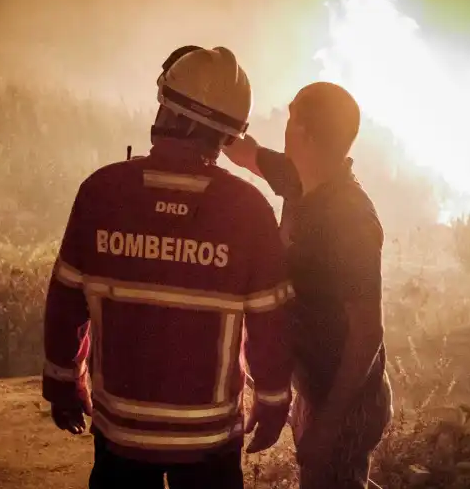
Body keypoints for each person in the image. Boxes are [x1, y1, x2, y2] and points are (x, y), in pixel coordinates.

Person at [42, 45, 294, 489]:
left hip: (120, 434)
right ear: (227, 134)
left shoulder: (101, 192)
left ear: (169, 111)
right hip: (210, 440)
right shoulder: (248, 210)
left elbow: (65, 305)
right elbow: (270, 326)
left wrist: (63, 383)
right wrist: (273, 403)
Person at [223, 82, 392, 489]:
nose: (284, 127)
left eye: (291, 117)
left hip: (346, 399)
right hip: (318, 388)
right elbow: (244, 152)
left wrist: (329, 424)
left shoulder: (350, 218)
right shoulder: (298, 180)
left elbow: (367, 333)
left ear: (305, 133)